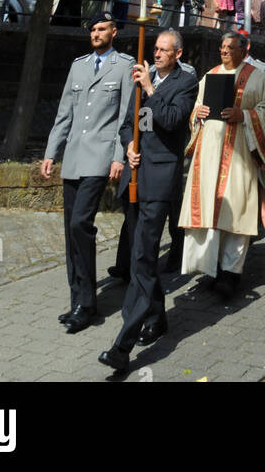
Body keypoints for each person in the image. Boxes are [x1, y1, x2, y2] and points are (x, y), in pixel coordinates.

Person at [98, 29, 198, 373]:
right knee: (142, 256)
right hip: (135, 177)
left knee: (142, 256)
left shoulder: (184, 83)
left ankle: (122, 344)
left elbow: (171, 121)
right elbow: (130, 123)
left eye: (163, 51)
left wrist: (151, 89)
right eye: (154, 49)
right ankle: (157, 316)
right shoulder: (142, 80)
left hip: (158, 181)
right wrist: (129, 145)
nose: (156, 54)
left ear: (178, 54)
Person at [41, 11, 135, 333]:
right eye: (92, 29)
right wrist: (51, 152)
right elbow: (64, 113)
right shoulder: (78, 66)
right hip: (74, 158)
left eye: (102, 29)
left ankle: (88, 303)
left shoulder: (124, 65)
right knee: (70, 230)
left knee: (82, 223)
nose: (95, 33)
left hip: (100, 158)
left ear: (114, 32)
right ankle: (76, 303)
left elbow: (127, 116)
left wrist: (119, 157)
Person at [178, 30, 265, 299]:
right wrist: (195, 115)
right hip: (209, 157)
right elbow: (197, 109)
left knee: (236, 215)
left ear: (244, 50)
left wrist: (243, 114)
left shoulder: (257, 77)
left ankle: (230, 274)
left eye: (230, 47)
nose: (223, 51)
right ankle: (209, 268)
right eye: (222, 47)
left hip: (239, 157)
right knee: (211, 212)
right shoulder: (210, 75)